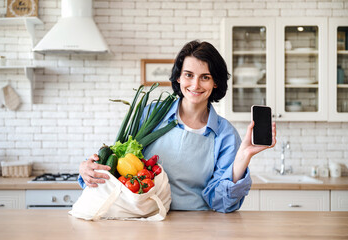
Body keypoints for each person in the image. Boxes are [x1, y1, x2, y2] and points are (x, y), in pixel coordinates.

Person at [79, 40, 276, 213]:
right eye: (189, 75)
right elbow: (118, 166)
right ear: (178, 77)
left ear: (216, 82)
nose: (195, 84)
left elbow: (220, 202)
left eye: (205, 77)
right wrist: (89, 170)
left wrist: (243, 158)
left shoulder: (224, 134)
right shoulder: (151, 115)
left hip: (196, 224)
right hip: (144, 218)